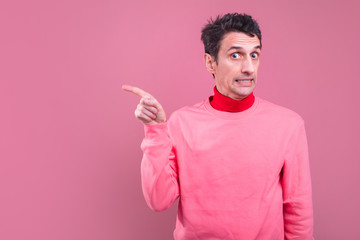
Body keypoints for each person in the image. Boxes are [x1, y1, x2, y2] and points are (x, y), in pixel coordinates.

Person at [123, 13, 314, 240]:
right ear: (210, 62)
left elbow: (298, 207)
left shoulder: (288, 125)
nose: (249, 68)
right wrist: (155, 131)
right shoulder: (182, 123)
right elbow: (158, 200)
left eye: (255, 55)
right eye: (236, 55)